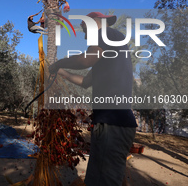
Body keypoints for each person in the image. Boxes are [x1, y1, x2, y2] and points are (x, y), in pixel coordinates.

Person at [49, 11, 137, 186]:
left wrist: (59, 62)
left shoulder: (105, 33)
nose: (84, 35)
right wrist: (60, 72)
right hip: (117, 123)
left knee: (102, 181)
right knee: (113, 177)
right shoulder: (108, 55)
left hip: (112, 123)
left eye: (84, 28)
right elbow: (84, 81)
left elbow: (85, 60)